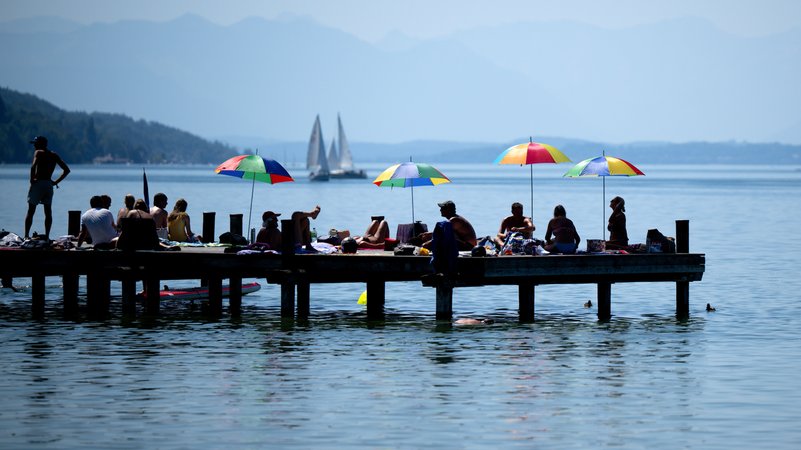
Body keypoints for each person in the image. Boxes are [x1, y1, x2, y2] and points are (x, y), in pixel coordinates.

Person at [24, 136, 71, 240]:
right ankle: (47, 236)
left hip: (38, 183)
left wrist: (32, 180)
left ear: (41, 144)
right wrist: (55, 182)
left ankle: (26, 236)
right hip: (48, 184)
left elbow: (33, 166)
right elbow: (67, 170)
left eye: (36, 143)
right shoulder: (53, 155)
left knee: (31, 210)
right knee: (48, 211)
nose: (34, 146)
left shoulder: (38, 153)